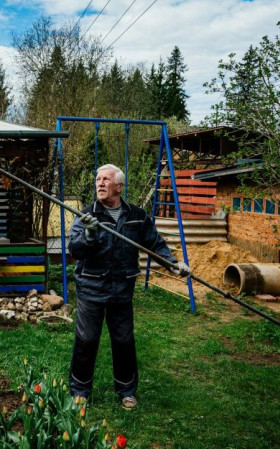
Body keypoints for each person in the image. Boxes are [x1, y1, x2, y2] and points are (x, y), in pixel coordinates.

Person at [67, 164, 190, 410]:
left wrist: (174, 264)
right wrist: (89, 235)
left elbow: (154, 243)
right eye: (98, 179)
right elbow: (75, 250)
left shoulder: (136, 215)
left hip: (122, 290)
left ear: (119, 186)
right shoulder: (87, 215)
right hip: (92, 287)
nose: (99, 183)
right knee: (87, 339)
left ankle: (126, 391)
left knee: (123, 341)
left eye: (106, 180)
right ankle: (80, 390)